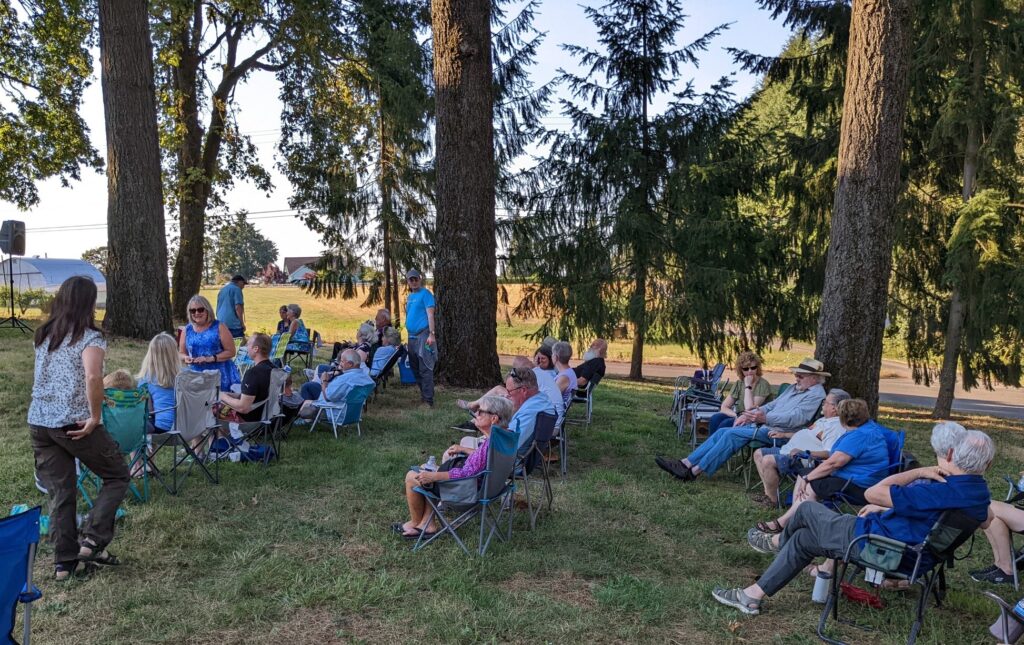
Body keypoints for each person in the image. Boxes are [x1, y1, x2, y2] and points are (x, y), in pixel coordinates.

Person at [711, 428, 994, 616]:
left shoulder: (937, 489)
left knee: (806, 510)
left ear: (950, 455)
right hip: (909, 554)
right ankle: (752, 596)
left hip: (878, 548)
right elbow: (986, 520)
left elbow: (873, 493)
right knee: (804, 540)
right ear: (988, 466)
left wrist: (920, 471)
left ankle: (774, 541)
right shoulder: (978, 494)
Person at [28, 275, 130, 581]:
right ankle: (92, 541)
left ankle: (64, 564)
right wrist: (95, 416)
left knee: (61, 492)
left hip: (40, 423)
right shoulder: (89, 338)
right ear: (89, 304)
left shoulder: (45, 335)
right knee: (117, 474)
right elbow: (93, 377)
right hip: (73, 422)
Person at [654, 358, 828, 482]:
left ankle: (693, 472)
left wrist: (765, 417)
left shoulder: (816, 394)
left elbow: (797, 418)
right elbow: (772, 405)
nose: (796, 377)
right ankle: (685, 463)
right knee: (723, 430)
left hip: (781, 434)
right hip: (766, 424)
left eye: (801, 375)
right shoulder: (794, 388)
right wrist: (750, 414)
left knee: (732, 435)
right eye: (797, 374)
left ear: (814, 378)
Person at [746, 399, 891, 544]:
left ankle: (783, 524)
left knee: (812, 485)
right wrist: (807, 476)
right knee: (804, 474)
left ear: (843, 418)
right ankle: (793, 520)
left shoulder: (859, 436)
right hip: (855, 477)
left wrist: (809, 478)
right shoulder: (868, 428)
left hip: (858, 484)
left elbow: (834, 463)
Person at [397, 396, 515, 538]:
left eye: (480, 412)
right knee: (426, 468)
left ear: (494, 419)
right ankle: (427, 524)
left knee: (412, 477)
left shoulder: (490, 443)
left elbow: (466, 474)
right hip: (489, 489)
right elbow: (487, 459)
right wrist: (464, 449)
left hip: (468, 492)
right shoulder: (504, 437)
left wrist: (434, 476)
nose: (475, 414)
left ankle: (414, 523)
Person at [752, 388, 851, 506]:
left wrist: (804, 452)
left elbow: (830, 453)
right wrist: (784, 435)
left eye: (825, 402)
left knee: (768, 460)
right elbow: (808, 434)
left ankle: (772, 501)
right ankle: (768, 494)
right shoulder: (823, 420)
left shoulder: (836, 427)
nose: (822, 404)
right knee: (759, 453)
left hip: (804, 459)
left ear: (834, 408)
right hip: (789, 450)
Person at [179, 294, 239, 392]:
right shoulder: (187, 329)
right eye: (193, 310)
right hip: (196, 376)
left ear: (207, 310)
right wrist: (186, 358)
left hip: (219, 375)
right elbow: (181, 352)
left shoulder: (219, 327)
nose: (197, 313)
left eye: (200, 309)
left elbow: (231, 352)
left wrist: (210, 359)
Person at [707, 351, 772, 437]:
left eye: (753, 368)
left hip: (755, 420)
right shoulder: (739, 383)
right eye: (746, 369)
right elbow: (724, 407)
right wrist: (736, 415)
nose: (750, 371)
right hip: (740, 416)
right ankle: (712, 445)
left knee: (726, 423)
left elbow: (750, 409)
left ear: (758, 368)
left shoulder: (763, 384)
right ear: (741, 370)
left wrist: (747, 385)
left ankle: (719, 447)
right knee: (716, 418)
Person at [297, 349, 375, 421]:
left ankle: (302, 420)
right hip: (352, 414)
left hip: (333, 412)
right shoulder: (367, 379)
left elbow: (328, 397)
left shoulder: (345, 379)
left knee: (303, 401)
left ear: (350, 364)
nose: (340, 364)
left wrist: (324, 381)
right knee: (309, 386)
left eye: (342, 361)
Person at [217, 333, 274, 423]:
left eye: (248, 344)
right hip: (268, 417)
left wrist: (222, 396)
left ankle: (215, 436)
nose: (246, 347)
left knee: (211, 408)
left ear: (256, 349)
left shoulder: (253, 373)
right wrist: (232, 396)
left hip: (249, 420)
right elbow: (259, 396)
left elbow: (243, 408)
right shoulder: (274, 369)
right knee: (224, 402)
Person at [137, 332, 182, 434]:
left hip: (162, 427)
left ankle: (141, 449)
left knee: (141, 419)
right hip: (188, 427)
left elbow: (148, 409)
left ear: (151, 354)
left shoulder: (147, 379)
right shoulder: (186, 376)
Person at [404, 268, 436, 407]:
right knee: (414, 367)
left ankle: (428, 400)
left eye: (416, 279)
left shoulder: (426, 294)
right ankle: (423, 396)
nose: (414, 281)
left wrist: (431, 334)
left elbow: (430, 315)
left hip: (423, 336)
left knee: (425, 367)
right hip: (411, 337)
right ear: (408, 282)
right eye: (411, 279)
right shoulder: (410, 296)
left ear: (420, 279)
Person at [216, 274, 247, 338]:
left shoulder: (222, 289)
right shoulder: (237, 289)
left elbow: (218, 306)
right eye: (244, 284)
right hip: (233, 324)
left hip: (220, 322)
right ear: (240, 282)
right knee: (238, 344)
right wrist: (242, 323)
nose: (243, 286)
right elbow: (238, 307)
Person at [552, 341, 577, 408]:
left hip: (555, 413)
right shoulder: (568, 372)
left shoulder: (564, 377)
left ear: (556, 357)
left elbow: (552, 398)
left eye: (552, 354)